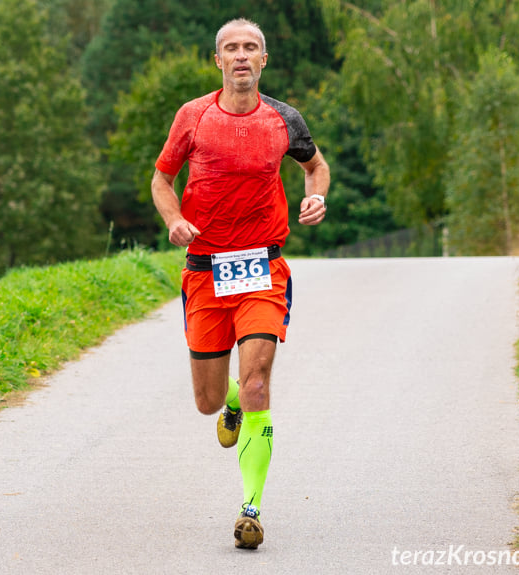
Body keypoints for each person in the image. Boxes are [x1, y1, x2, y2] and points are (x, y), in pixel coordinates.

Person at [151, 18, 330, 549]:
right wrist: (173, 220)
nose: (242, 56)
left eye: (251, 48)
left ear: (264, 60)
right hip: (205, 269)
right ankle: (228, 402)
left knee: (258, 383)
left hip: (262, 270)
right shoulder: (193, 117)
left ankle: (251, 507)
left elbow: (314, 167)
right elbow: (163, 178)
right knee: (209, 402)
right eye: (232, 48)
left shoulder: (284, 118)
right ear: (218, 62)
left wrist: (315, 194)